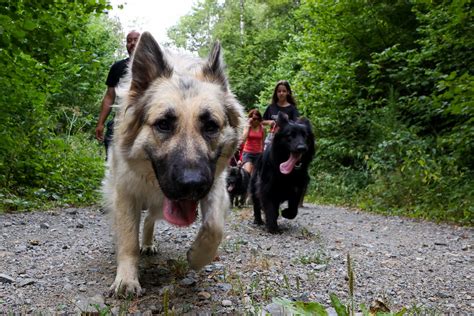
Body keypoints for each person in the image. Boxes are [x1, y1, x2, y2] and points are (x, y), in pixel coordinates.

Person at [95, 30, 141, 159]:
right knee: (112, 158)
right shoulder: (118, 67)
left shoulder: (153, 67)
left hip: (143, 121)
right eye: (129, 41)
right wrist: (100, 123)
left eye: (135, 40)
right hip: (119, 121)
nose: (132, 43)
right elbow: (110, 97)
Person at [262, 80, 299, 149]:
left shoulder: (292, 108)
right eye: (279, 91)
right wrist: (269, 122)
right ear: (276, 93)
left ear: (288, 92)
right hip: (271, 138)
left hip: (286, 139)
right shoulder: (271, 107)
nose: (281, 93)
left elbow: (296, 124)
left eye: (284, 91)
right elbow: (262, 121)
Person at [239, 109, 265, 175]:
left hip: (258, 153)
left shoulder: (262, 128)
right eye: (254, 118)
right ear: (250, 118)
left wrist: (263, 153)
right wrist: (248, 125)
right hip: (248, 153)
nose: (256, 120)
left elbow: (263, 141)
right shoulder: (247, 127)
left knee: (255, 175)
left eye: (257, 119)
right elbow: (243, 139)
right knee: (247, 173)